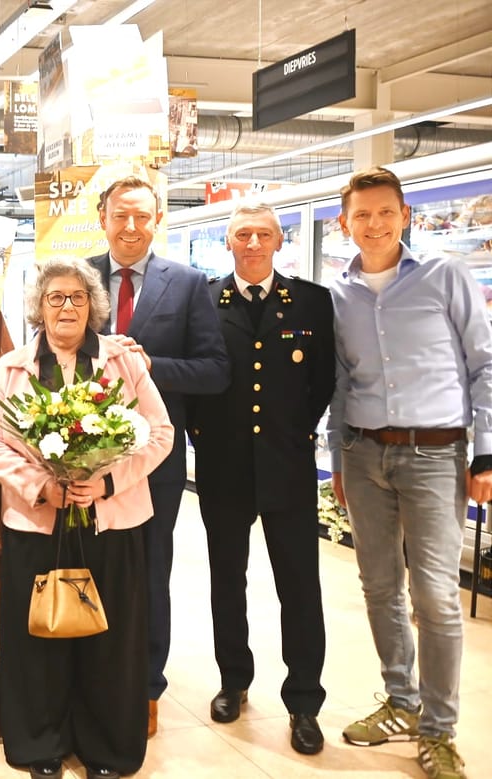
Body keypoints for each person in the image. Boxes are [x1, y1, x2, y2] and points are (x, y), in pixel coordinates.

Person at [0, 258, 175, 779]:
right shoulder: (11, 368)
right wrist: (42, 485)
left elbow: (160, 433)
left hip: (113, 520)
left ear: (93, 306)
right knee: (40, 638)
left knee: (111, 641)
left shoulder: (123, 362)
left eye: (77, 298)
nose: (67, 306)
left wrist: (107, 481)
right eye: (56, 297)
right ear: (39, 307)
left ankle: (108, 749)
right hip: (38, 523)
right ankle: (40, 744)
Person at [328, 167, 492, 779]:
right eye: (361, 216)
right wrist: (340, 454)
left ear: (406, 216)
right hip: (366, 456)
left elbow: (485, 365)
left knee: (436, 598)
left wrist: (487, 454)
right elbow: (342, 383)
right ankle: (401, 699)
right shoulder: (338, 293)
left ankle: (440, 730)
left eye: (384, 213)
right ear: (345, 224)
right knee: (377, 587)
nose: (374, 225)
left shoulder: (445, 274)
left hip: (436, 456)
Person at [186, 203, 334, 755]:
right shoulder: (203, 299)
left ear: (278, 241)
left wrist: (292, 432)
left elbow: (323, 381)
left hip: (288, 466)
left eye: (263, 234)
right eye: (242, 234)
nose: (253, 242)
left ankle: (303, 701)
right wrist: (203, 435)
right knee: (228, 580)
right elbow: (197, 378)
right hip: (223, 468)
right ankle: (234, 679)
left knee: (299, 586)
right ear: (228, 243)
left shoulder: (312, 301)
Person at [86, 175, 229, 737]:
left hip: (155, 459)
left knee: (149, 569)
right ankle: (94, 676)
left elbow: (215, 371)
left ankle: (146, 686)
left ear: (158, 219)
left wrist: (148, 367)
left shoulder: (190, 283)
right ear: (103, 218)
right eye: (120, 215)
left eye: (142, 216)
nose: (130, 227)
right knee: (91, 566)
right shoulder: (76, 279)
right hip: (82, 457)